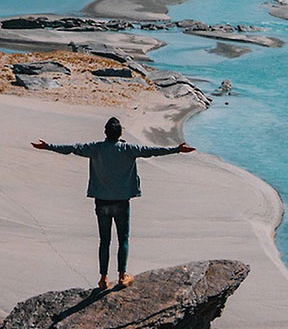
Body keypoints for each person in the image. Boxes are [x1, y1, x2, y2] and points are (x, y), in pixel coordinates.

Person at [33, 117, 194, 290]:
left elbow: (71, 149)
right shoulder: (128, 149)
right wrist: (177, 149)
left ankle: (103, 279)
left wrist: (48, 146)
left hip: (101, 201)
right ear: (120, 133)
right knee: (123, 238)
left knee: (104, 240)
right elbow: (152, 151)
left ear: (105, 133)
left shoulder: (95, 148)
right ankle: (122, 276)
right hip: (121, 202)